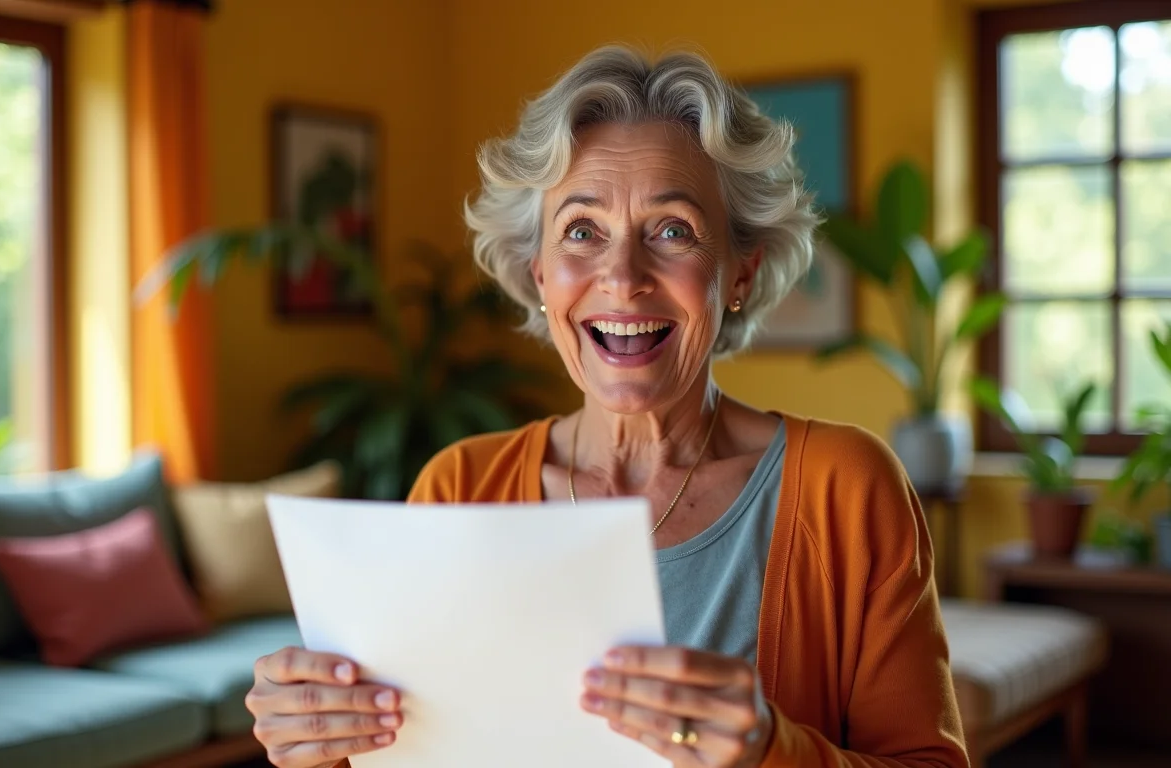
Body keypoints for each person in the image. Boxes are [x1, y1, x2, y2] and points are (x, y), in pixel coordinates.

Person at [246, 45, 968, 768]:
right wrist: (325, 743)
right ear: (539, 275)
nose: (622, 278)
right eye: (582, 232)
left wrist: (768, 752)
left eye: (673, 229)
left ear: (739, 271)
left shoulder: (847, 487)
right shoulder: (458, 488)